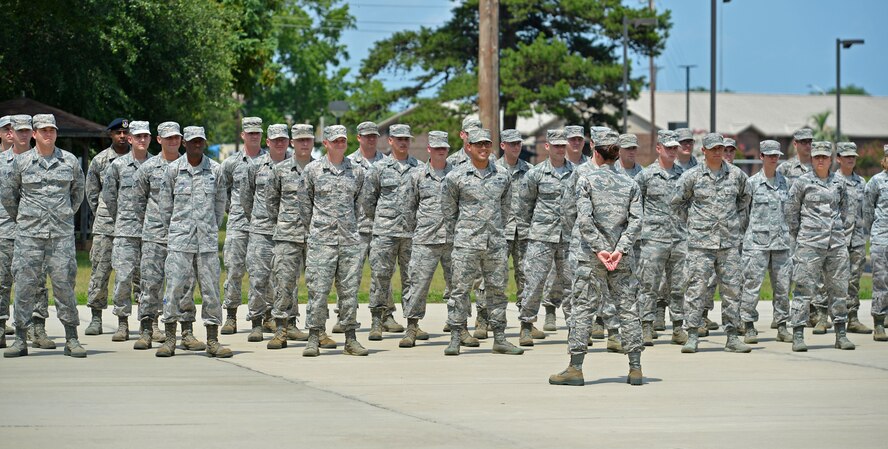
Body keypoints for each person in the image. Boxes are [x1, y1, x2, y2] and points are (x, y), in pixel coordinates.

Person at [549, 130, 644, 386]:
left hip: (591, 256)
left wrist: (599, 248)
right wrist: (619, 249)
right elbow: (637, 222)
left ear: (595, 149)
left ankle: (575, 369)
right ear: (617, 152)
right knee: (629, 308)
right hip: (621, 257)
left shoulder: (585, 180)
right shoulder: (630, 183)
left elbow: (580, 217)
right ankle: (635, 368)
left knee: (582, 309)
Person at [2, 114, 86, 358]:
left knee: (64, 287)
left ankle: (71, 338)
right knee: (25, 287)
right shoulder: (21, 162)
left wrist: (63, 215)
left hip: (60, 237)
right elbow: (9, 196)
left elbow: (77, 194)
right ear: (34, 134)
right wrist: (27, 219)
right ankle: (20, 338)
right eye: (43, 130)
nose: (48, 134)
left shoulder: (69, 161)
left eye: (52, 130)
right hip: (29, 236)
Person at [441, 128, 521, 356]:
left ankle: (500, 338)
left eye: (487, 144)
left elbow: (505, 209)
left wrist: (494, 230)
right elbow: (449, 211)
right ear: (469, 147)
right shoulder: (455, 176)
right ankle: (456, 336)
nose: (484, 148)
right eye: (479, 145)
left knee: (497, 291)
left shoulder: (502, 175)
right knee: (460, 291)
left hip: (495, 242)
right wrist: (463, 233)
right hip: (466, 242)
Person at [155, 126, 232, 358]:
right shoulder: (173, 171)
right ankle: (170, 338)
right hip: (180, 241)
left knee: (211, 292)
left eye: (200, 141)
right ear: (184, 143)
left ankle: (212, 340)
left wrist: (209, 227)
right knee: (175, 288)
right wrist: (179, 229)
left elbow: (220, 205)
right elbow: (165, 207)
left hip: (207, 243)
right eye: (192, 141)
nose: (197, 145)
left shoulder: (215, 171)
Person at [672, 133, 751, 354]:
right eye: (713, 149)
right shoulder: (692, 176)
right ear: (704, 151)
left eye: (721, 148)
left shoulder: (737, 175)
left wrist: (730, 222)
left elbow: (744, 199)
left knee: (732, 291)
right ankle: (693, 335)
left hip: (728, 244)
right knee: (696, 289)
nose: (718, 152)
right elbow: (677, 203)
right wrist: (695, 224)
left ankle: (732, 336)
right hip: (700, 244)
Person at [299, 125, 369, 357]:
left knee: (349, 292)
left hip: (349, 241)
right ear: (326, 143)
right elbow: (304, 206)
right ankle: (313, 337)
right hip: (322, 242)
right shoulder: (312, 170)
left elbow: (359, 204)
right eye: (335, 141)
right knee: (318, 292)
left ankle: (350, 338)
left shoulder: (356, 172)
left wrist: (348, 228)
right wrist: (318, 229)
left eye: (343, 140)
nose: (340, 144)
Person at [399, 131, 469, 348]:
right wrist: (418, 230)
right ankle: (412, 327)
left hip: (453, 240)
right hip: (425, 240)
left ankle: (461, 327)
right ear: (429, 149)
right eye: (436, 148)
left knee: (458, 286)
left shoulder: (458, 175)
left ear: (448, 150)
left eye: (444, 148)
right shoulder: (416, 175)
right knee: (417, 285)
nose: (440, 151)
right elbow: (407, 208)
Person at [785, 141, 855, 352]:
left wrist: (838, 234)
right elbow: (791, 213)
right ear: (812, 159)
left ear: (831, 158)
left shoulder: (839, 183)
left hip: (836, 244)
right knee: (803, 289)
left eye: (825, 156)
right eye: (817, 157)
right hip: (809, 244)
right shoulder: (802, 182)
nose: (821, 160)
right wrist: (803, 236)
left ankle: (841, 334)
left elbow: (844, 210)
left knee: (839, 289)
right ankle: (798, 334)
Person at [516, 129, 575, 346]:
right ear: (547, 147)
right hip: (541, 236)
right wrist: (529, 234)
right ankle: (526, 326)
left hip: (569, 237)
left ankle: (575, 328)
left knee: (572, 284)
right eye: (556, 145)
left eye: (563, 145)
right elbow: (524, 207)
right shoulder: (536, 174)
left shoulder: (577, 173)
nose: (560, 149)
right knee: (534, 282)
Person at [362, 124, 419, 340]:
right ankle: (377, 321)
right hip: (384, 233)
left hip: (411, 235)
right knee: (380, 277)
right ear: (390, 141)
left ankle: (412, 324)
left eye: (406, 139)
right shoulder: (379, 168)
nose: (403, 142)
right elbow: (368, 201)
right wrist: (382, 221)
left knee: (412, 279)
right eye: (399, 138)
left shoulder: (419, 168)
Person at [634, 130, 688, 346]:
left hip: (678, 239)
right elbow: (635, 205)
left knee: (678, 286)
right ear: (659, 149)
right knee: (649, 285)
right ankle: (646, 326)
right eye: (669, 148)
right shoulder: (645, 176)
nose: (673, 151)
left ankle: (677, 327)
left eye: (675, 148)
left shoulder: (684, 176)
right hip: (653, 239)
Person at [264, 124, 315, 350]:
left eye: (308, 139)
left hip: (316, 235)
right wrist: (283, 223)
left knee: (316, 285)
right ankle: (281, 329)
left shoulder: (321, 168)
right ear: (292, 142)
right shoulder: (281, 170)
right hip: (287, 234)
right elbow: (271, 202)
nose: (304, 143)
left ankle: (316, 330)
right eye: (300, 139)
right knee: (284, 283)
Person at [240, 123, 292, 343]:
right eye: (275, 139)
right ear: (267, 142)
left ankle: (288, 323)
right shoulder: (256, 166)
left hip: (288, 231)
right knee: (259, 279)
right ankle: (257, 323)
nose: (280, 143)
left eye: (283, 139)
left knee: (286, 280)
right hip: (261, 230)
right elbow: (246, 197)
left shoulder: (296, 166)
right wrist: (259, 218)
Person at [739, 140, 793, 345]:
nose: (773, 158)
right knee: (752, 286)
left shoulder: (785, 183)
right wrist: (748, 238)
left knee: (782, 286)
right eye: (769, 155)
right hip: (756, 244)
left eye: (776, 155)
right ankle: (749, 326)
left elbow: (790, 212)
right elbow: (743, 214)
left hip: (781, 243)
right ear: (761, 156)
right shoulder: (751, 183)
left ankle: (781, 325)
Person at [102, 120, 150, 342]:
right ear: (130, 139)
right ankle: (122, 323)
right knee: (123, 278)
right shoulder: (118, 166)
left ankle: (149, 324)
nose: (141, 140)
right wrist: (122, 218)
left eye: (145, 136)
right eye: (137, 136)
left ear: (150, 139)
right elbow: (109, 197)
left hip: (151, 233)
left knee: (150, 280)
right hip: (124, 232)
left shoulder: (158, 165)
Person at [341, 121, 389, 334]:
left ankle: (385, 317)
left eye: (374, 136)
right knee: (351, 274)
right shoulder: (348, 163)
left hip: (382, 227)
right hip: (356, 229)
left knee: (382, 274)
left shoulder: (387, 163)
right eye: (366, 136)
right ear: (358, 137)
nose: (371, 139)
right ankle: (344, 316)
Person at [220, 117, 267, 334]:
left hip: (263, 224)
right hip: (238, 224)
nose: (254, 136)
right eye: (250, 133)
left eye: (257, 133)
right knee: (234, 270)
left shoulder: (270, 161)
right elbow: (224, 192)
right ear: (243, 136)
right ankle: (231, 315)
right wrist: (234, 211)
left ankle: (263, 317)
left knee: (262, 273)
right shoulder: (230, 163)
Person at [84, 118, 131, 335]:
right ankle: (96, 318)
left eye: (125, 132)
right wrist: (103, 213)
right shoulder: (101, 160)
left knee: (132, 275)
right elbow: (91, 192)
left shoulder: (142, 159)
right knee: (100, 272)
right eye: (118, 133)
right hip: (105, 225)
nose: (122, 136)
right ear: (110, 135)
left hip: (133, 226)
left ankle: (127, 320)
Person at [495, 129, 533, 325]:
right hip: (500, 232)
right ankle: (487, 318)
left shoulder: (530, 170)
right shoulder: (493, 169)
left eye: (518, 143)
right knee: (494, 277)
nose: (516, 147)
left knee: (526, 277)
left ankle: (526, 323)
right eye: (511, 144)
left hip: (524, 231)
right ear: (503, 146)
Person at [835, 142, 872, 334]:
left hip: (856, 239)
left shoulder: (862, 182)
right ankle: (826, 318)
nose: (851, 159)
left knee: (854, 280)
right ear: (838, 158)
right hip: (837, 238)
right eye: (847, 156)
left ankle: (852, 318)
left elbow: (866, 211)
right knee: (832, 280)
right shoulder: (832, 181)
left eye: (853, 156)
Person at [863, 146, 888, 342]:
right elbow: (868, 212)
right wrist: (874, 235)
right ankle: (879, 322)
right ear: (884, 161)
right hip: (881, 238)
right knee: (881, 281)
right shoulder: (876, 182)